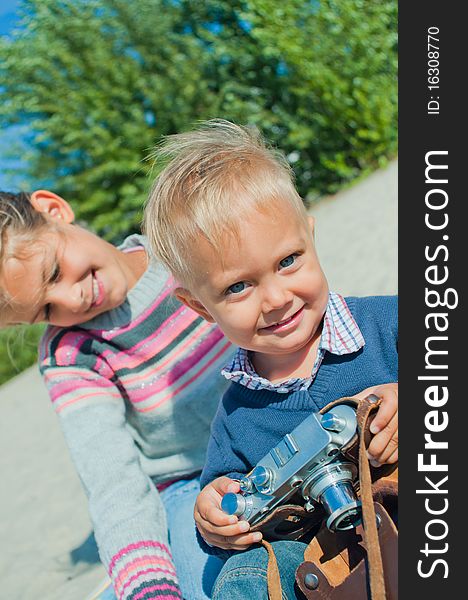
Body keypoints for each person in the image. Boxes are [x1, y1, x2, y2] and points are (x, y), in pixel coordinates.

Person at [143, 119, 398, 599]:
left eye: (288, 261)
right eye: (238, 286)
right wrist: (213, 517)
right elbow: (229, 497)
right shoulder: (237, 416)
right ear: (199, 306)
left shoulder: (388, 324)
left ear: (311, 235)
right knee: (244, 574)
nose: (276, 298)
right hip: (330, 569)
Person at [0, 189, 237, 600]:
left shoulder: (185, 247)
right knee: (205, 581)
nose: (71, 301)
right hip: (188, 483)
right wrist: (148, 588)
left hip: (277, 418)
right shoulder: (72, 355)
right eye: (46, 311)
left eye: (54, 271)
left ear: (53, 210)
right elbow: (113, 481)